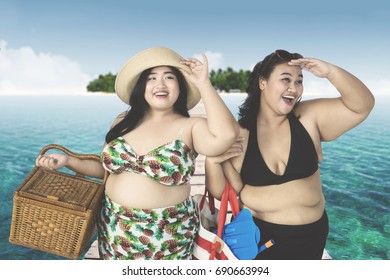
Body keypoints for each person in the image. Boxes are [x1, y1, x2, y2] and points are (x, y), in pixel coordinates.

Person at [35, 47, 239, 260]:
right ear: (142, 87)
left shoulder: (190, 126)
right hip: (115, 230)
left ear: (180, 87)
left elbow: (226, 135)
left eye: (169, 77)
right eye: (152, 78)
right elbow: (106, 171)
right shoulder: (123, 122)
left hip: (168, 236)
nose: (160, 84)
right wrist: (69, 161)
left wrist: (204, 84)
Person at [205, 49, 375, 260]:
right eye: (286, 79)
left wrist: (330, 72)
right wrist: (212, 161)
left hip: (312, 238)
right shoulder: (241, 134)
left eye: (299, 81)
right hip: (261, 240)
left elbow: (362, 106)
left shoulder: (308, 117)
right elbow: (222, 191)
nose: (293, 88)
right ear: (262, 83)